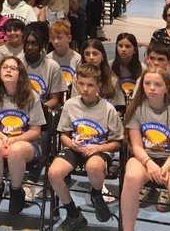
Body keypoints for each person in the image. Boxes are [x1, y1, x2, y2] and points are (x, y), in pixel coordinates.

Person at [48, 63, 122, 231]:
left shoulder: (108, 109)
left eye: (90, 85)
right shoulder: (70, 105)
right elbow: (64, 135)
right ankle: (73, 214)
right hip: (75, 148)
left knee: (94, 166)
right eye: (81, 84)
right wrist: (71, 144)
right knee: (54, 173)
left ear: (99, 86)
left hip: (99, 149)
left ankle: (96, 194)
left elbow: (118, 143)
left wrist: (97, 148)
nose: (85, 89)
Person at [122, 68, 170, 231]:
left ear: (167, 87)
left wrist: (165, 168)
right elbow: (136, 146)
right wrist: (149, 163)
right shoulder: (136, 108)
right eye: (147, 83)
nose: (152, 88)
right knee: (131, 176)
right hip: (144, 159)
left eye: (157, 84)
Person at [0, 55, 46, 217]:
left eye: (13, 68)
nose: (8, 70)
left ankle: (16, 190)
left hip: (29, 143)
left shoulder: (31, 96)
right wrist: (3, 138)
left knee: (16, 149)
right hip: (4, 139)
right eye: (5, 67)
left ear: (20, 74)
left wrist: (15, 140)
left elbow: (35, 131)